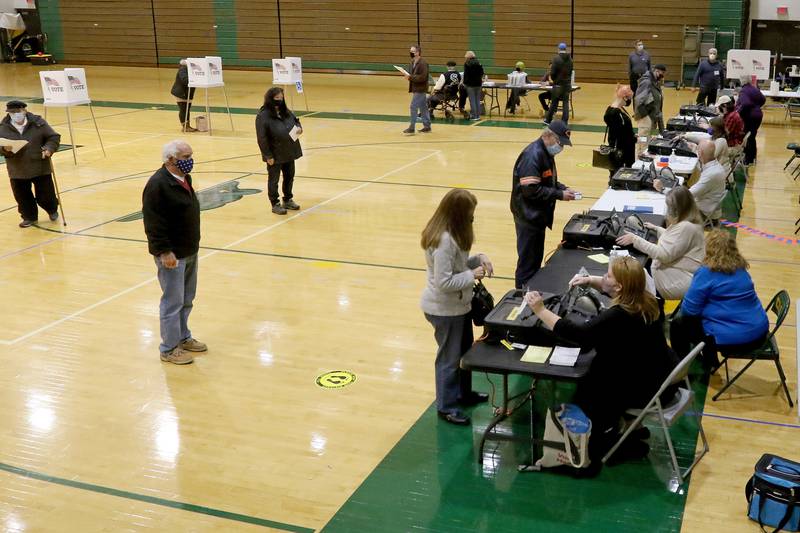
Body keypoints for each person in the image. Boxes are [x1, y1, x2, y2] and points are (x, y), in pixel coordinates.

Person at [524, 256, 678, 458]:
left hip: (646, 390)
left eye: (608, 275)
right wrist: (588, 280)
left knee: (588, 386)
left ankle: (608, 439)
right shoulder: (647, 299)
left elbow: (579, 335)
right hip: (663, 378)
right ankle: (630, 427)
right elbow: (614, 287)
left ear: (620, 287)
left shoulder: (618, 316)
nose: (603, 277)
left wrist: (540, 310)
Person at [420, 188, 494, 425]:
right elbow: (444, 282)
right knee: (449, 360)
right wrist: (472, 275)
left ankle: (463, 393)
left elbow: (458, 266)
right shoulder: (444, 241)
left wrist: (479, 258)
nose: (473, 217)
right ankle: (446, 406)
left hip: (458, 307)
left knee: (463, 354)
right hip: (444, 310)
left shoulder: (452, 234)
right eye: (470, 213)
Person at [142, 140, 206, 365]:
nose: (190, 161)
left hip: (189, 249)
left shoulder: (183, 178)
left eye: (191, 156)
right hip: (172, 255)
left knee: (187, 298)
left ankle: (182, 336)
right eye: (186, 157)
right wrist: (164, 252)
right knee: (172, 301)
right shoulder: (158, 185)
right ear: (170, 159)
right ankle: (168, 348)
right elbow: (153, 223)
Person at [670, 229, 769, 369]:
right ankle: (710, 361)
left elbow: (689, 311)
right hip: (760, 331)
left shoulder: (706, 273)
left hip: (739, 338)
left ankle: (681, 368)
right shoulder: (741, 269)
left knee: (678, 324)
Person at [510, 120, 578, 288]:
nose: (560, 147)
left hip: (537, 217)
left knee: (534, 260)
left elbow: (546, 180)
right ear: (548, 136)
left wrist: (562, 188)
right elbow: (530, 190)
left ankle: (531, 295)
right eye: (560, 142)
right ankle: (522, 297)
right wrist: (559, 194)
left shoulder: (545, 152)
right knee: (527, 265)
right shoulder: (532, 155)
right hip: (528, 217)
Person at [616, 186, 705, 300]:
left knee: (630, 281)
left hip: (676, 280)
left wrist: (635, 239)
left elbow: (664, 255)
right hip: (681, 272)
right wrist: (657, 229)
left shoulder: (686, 227)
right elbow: (677, 242)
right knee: (639, 267)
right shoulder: (691, 219)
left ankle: (653, 311)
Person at [0, 100, 61, 228]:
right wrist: (4, 149)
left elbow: (53, 137)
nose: (15, 114)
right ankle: (29, 217)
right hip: (17, 168)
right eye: (12, 112)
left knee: (46, 195)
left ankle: (52, 209)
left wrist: (49, 148)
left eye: (18, 111)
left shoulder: (38, 123)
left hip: (39, 165)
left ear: (24, 110)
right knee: (22, 196)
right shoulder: (3, 127)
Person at [256, 87, 303, 215]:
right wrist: (268, 155)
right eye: (277, 98)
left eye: (281, 98)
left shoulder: (285, 111)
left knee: (289, 177)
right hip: (274, 154)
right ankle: (275, 203)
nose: (280, 100)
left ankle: (287, 199)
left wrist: (299, 128)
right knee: (274, 180)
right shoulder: (263, 116)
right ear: (270, 99)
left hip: (289, 151)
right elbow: (262, 138)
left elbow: (296, 122)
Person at [688, 140, 727, 223]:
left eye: (698, 149)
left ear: (701, 153)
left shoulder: (711, 174)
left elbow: (689, 194)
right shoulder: (714, 165)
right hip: (708, 206)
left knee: (673, 207)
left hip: (703, 214)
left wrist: (664, 189)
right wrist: (695, 149)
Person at [603, 84, 636, 177]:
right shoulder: (615, 114)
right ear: (625, 98)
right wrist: (632, 138)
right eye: (630, 98)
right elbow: (618, 136)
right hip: (621, 153)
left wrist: (632, 135)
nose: (631, 100)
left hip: (625, 150)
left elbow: (624, 131)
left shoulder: (619, 109)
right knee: (618, 176)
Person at [736, 74, 766, 165]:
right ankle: (752, 158)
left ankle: (748, 159)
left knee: (747, 137)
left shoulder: (743, 91)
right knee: (752, 136)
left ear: (742, 81)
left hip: (750, 116)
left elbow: (745, 104)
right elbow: (763, 99)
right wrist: (757, 107)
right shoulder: (755, 89)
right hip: (758, 115)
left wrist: (738, 112)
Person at [402, 45, 431, 134]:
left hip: (421, 89)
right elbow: (411, 74)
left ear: (418, 52)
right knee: (423, 107)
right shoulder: (412, 62)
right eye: (410, 51)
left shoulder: (423, 63)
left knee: (413, 106)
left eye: (413, 51)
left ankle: (412, 127)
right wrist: (407, 75)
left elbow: (423, 77)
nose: (411, 53)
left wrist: (410, 77)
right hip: (415, 88)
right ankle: (427, 126)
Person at [634, 64, 667, 139]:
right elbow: (638, 100)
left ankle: (642, 149)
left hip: (651, 116)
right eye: (662, 73)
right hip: (645, 117)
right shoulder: (647, 82)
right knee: (643, 139)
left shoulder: (655, 82)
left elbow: (658, 103)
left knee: (646, 139)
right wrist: (645, 116)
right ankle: (640, 150)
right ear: (656, 71)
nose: (663, 76)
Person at [544, 43, 573, 124]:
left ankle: (548, 119)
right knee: (566, 103)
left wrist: (553, 80)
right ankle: (565, 121)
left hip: (558, 84)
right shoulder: (570, 59)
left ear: (558, 49)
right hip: (567, 84)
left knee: (554, 103)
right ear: (565, 49)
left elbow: (552, 73)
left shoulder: (556, 59)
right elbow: (570, 71)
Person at [170, 59, 197, 132]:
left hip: (187, 93)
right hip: (181, 93)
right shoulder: (183, 69)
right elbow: (185, 80)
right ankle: (185, 126)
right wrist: (195, 79)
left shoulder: (188, 69)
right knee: (183, 109)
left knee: (186, 109)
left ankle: (187, 126)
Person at [462, 51, 484, 121]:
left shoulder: (467, 64)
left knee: (472, 101)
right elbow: (482, 73)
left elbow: (466, 75)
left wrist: (464, 83)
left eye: (466, 57)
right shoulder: (479, 63)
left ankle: (474, 116)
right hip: (478, 84)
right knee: (477, 100)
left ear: (468, 57)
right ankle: (478, 115)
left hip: (470, 85)